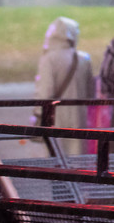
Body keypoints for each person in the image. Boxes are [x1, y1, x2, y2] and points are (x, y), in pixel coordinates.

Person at [33, 16, 95, 148]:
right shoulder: (84, 59)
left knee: (57, 157)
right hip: (79, 116)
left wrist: (38, 113)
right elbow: (91, 92)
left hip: (55, 117)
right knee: (77, 158)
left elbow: (45, 91)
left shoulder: (49, 59)